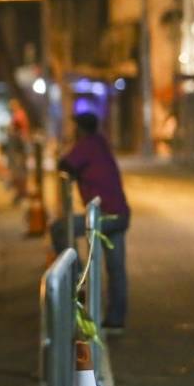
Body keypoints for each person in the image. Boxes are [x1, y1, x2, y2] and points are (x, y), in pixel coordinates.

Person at [51, 112, 131, 333]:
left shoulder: (87, 145)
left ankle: (77, 275)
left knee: (59, 229)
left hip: (103, 215)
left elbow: (64, 165)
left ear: (80, 129)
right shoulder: (100, 143)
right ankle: (116, 320)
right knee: (116, 268)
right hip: (120, 214)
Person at [5, 99, 31, 205]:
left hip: (18, 149)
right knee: (19, 172)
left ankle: (22, 193)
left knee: (19, 172)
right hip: (18, 148)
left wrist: (11, 130)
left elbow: (19, 131)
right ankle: (20, 193)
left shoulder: (19, 115)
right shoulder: (18, 115)